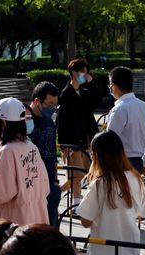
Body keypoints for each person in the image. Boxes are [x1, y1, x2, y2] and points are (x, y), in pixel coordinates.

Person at [0, 97, 49, 226]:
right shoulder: (31, 146)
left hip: (13, 221)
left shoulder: (8, 150)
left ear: (3, 124)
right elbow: (45, 186)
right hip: (35, 217)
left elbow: (1, 192)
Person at [106, 67, 145, 172]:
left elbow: (109, 141)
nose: (110, 88)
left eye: (110, 84)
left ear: (114, 86)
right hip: (138, 162)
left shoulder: (119, 109)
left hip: (121, 162)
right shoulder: (144, 106)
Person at [59, 59, 96, 200]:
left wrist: (91, 84)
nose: (86, 76)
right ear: (74, 73)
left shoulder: (84, 92)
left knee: (85, 172)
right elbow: (61, 122)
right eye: (83, 73)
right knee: (77, 174)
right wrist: (64, 145)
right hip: (72, 141)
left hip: (86, 139)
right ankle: (76, 202)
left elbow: (96, 101)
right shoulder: (66, 94)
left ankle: (56, 192)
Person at [28, 82, 62, 227]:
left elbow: (53, 153)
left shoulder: (49, 122)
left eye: (55, 105)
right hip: (30, 184)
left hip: (49, 183)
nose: (52, 109)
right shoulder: (24, 121)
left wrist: (55, 181)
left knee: (50, 226)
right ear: (37, 101)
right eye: (49, 105)